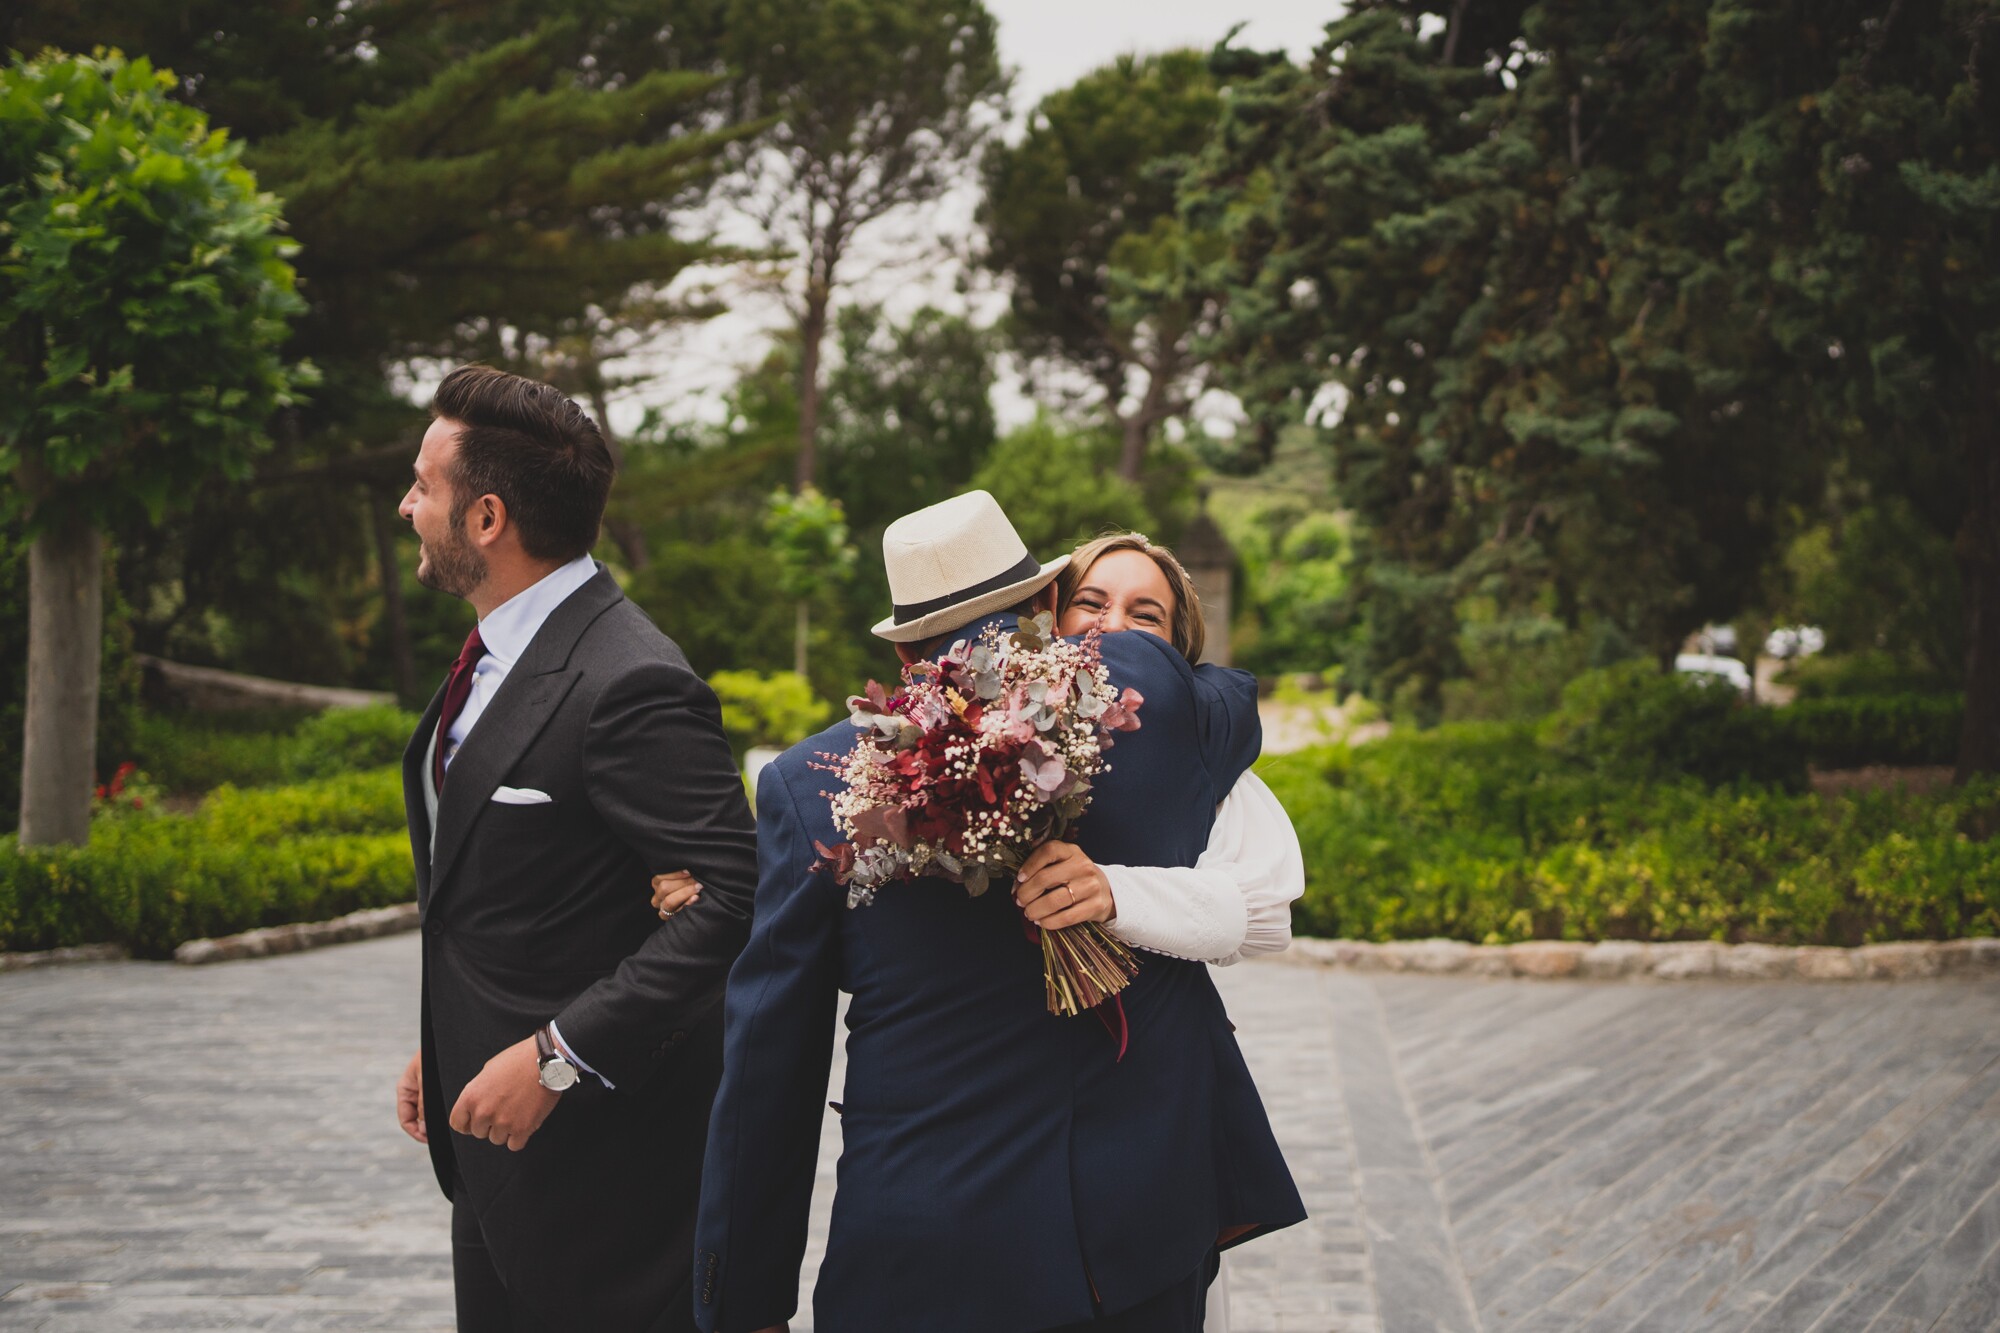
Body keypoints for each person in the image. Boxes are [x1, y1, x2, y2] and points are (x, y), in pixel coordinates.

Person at [692, 491, 1304, 1333]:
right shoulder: (1151, 707)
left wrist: (746, 1304)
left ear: (902, 647)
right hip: (1132, 1252)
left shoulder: (811, 786)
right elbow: (1228, 695)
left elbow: (770, 1066)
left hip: (921, 1255)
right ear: (1051, 603)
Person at [391, 364, 758, 1332]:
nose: (406, 506)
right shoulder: (496, 650)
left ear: (487, 518)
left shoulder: (630, 679)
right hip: (494, 1165)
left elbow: (735, 896)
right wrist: (445, 1033)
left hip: (604, 1185)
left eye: (423, 485)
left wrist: (559, 1057)